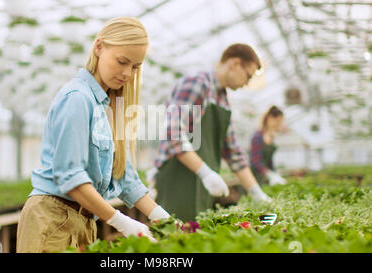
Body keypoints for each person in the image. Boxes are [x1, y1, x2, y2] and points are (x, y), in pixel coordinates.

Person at [17, 17, 171, 253]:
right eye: (122, 61)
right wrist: (121, 221)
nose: (127, 73)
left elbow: (125, 177)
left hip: (84, 220)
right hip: (53, 218)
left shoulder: (108, 107)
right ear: (99, 47)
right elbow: (71, 177)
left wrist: (163, 220)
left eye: (135, 67)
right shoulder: (78, 98)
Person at [148, 43, 272, 222]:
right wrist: (205, 172)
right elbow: (173, 134)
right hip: (178, 180)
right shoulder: (198, 84)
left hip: (201, 183)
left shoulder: (222, 98)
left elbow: (233, 152)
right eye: (248, 76)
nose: (247, 83)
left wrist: (256, 192)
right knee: (173, 239)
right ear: (235, 63)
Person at [249, 106, 287, 186]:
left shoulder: (271, 136)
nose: (279, 124)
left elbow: (269, 161)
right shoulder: (258, 136)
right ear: (270, 118)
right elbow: (255, 161)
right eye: (278, 121)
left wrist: (274, 173)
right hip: (254, 177)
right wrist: (268, 173)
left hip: (264, 177)